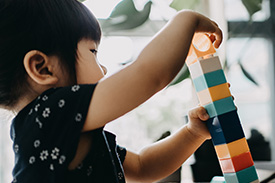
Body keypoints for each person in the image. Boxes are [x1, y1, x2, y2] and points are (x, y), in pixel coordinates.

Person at [0, 0, 222, 182]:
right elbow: (149, 76)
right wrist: (186, 20)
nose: (104, 69)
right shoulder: (48, 115)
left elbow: (144, 167)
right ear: (43, 68)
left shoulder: (61, 129)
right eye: (93, 51)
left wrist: (193, 133)